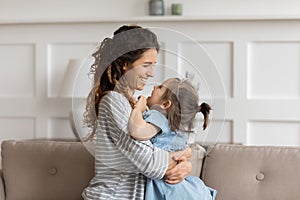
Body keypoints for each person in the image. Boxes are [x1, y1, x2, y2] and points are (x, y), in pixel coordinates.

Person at [81, 25, 192, 200]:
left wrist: (185, 162)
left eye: (153, 65)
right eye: (146, 65)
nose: (151, 73)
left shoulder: (138, 107)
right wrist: (183, 155)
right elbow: (151, 164)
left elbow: (166, 144)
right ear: (125, 65)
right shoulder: (114, 102)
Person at [129, 77, 217, 200]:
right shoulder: (176, 130)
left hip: (164, 185)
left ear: (165, 104)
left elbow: (136, 131)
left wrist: (138, 109)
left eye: (160, 87)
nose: (154, 87)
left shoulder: (157, 117)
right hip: (178, 186)